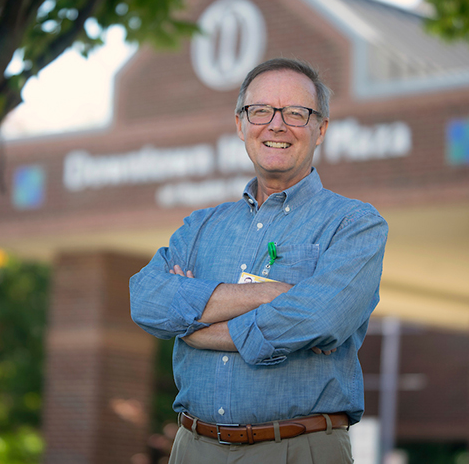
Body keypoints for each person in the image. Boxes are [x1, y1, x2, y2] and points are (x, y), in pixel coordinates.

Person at [129, 58, 388, 463]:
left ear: (321, 129)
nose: (276, 124)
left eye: (296, 113)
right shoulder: (200, 227)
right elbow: (146, 300)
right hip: (193, 448)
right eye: (260, 110)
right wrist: (270, 295)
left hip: (298, 448)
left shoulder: (355, 225)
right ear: (240, 124)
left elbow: (317, 319)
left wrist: (195, 328)